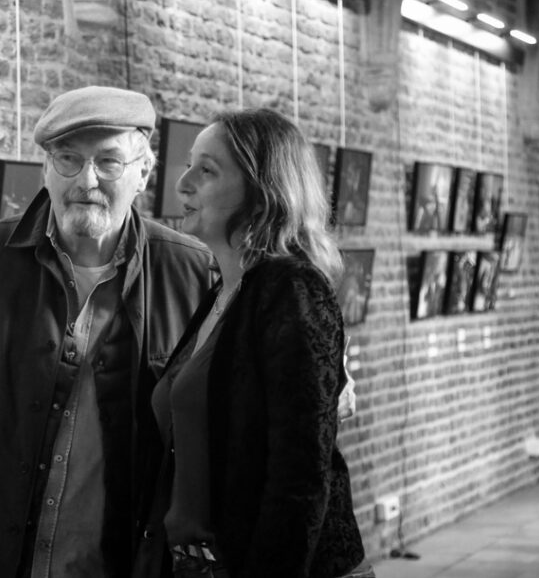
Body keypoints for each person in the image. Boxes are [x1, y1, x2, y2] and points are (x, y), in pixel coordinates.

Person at [0, 86, 212, 578]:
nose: (86, 180)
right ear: (46, 168)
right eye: (68, 159)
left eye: (108, 162)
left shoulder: (190, 273)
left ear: (143, 173)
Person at [135, 109, 368, 578]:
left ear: (262, 194)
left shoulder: (291, 288)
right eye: (189, 165)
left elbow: (300, 474)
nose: (182, 184)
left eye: (207, 170)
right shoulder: (225, 292)